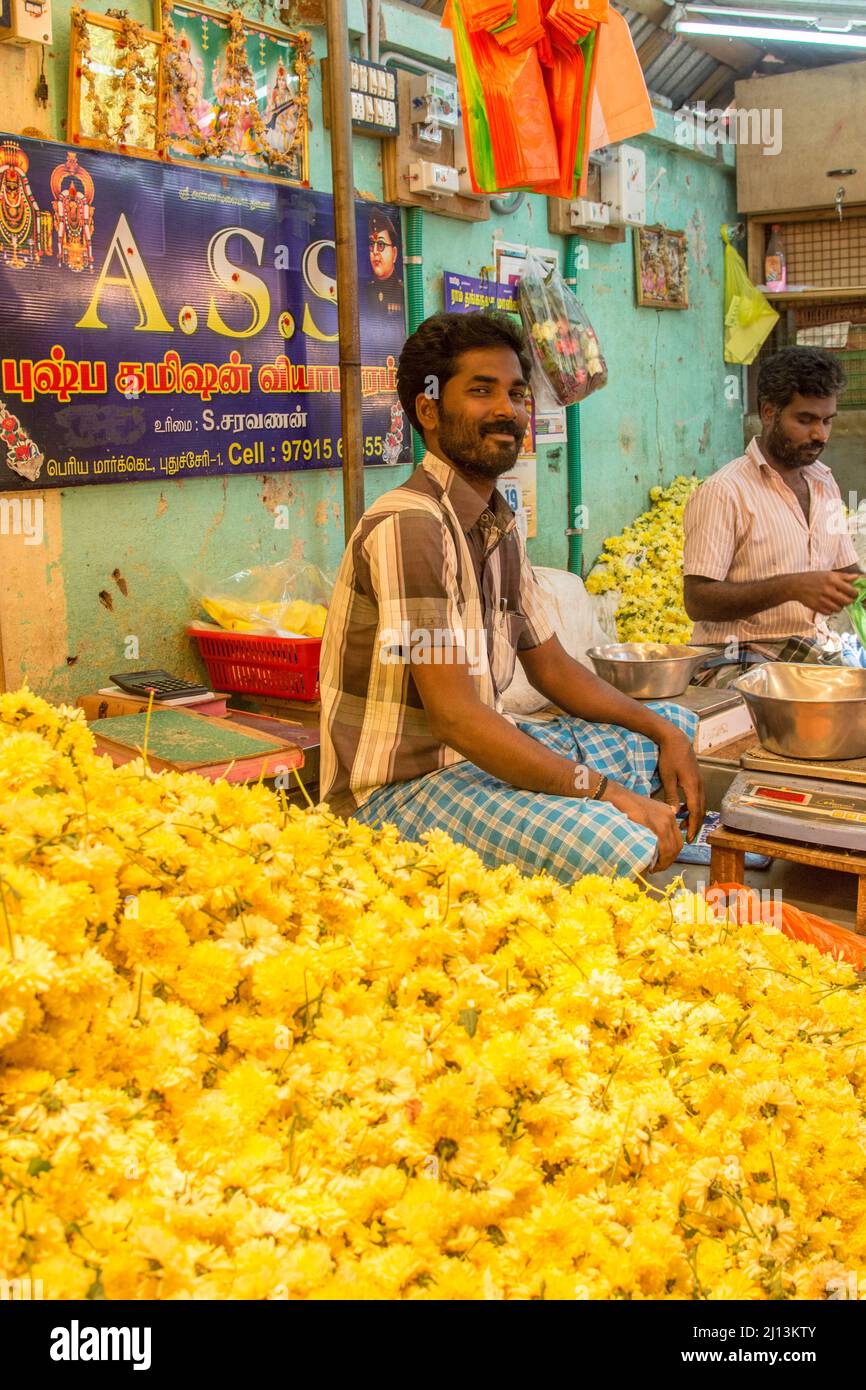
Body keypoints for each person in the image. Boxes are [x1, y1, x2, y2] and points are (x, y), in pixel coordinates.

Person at [319, 311, 704, 883]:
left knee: (676, 725)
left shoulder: (498, 524)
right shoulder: (411, 525)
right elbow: (455, 720)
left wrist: (663, 732)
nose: (507, 409)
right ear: (428, 410)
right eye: (482, 391)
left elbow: (552, 668)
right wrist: (604, 793)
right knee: (621, 838)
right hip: (398, 796)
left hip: (475, 763)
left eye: (517, 393)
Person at [683, 347, 861, 673]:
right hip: (738, 657)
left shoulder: (825, 484)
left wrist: (856, 586)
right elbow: (697, 601)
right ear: (768, 413)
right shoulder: (725, 492)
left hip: (814, 648)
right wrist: (791, 587)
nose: (820, 434)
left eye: (826, 421)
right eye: (804, 420)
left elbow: (849, 574)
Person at [363, 212, 404, 319]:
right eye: (372, 245)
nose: (375, 251)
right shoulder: (364, 291)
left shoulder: (403, 292)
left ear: (394, 253)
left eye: (381, 245)